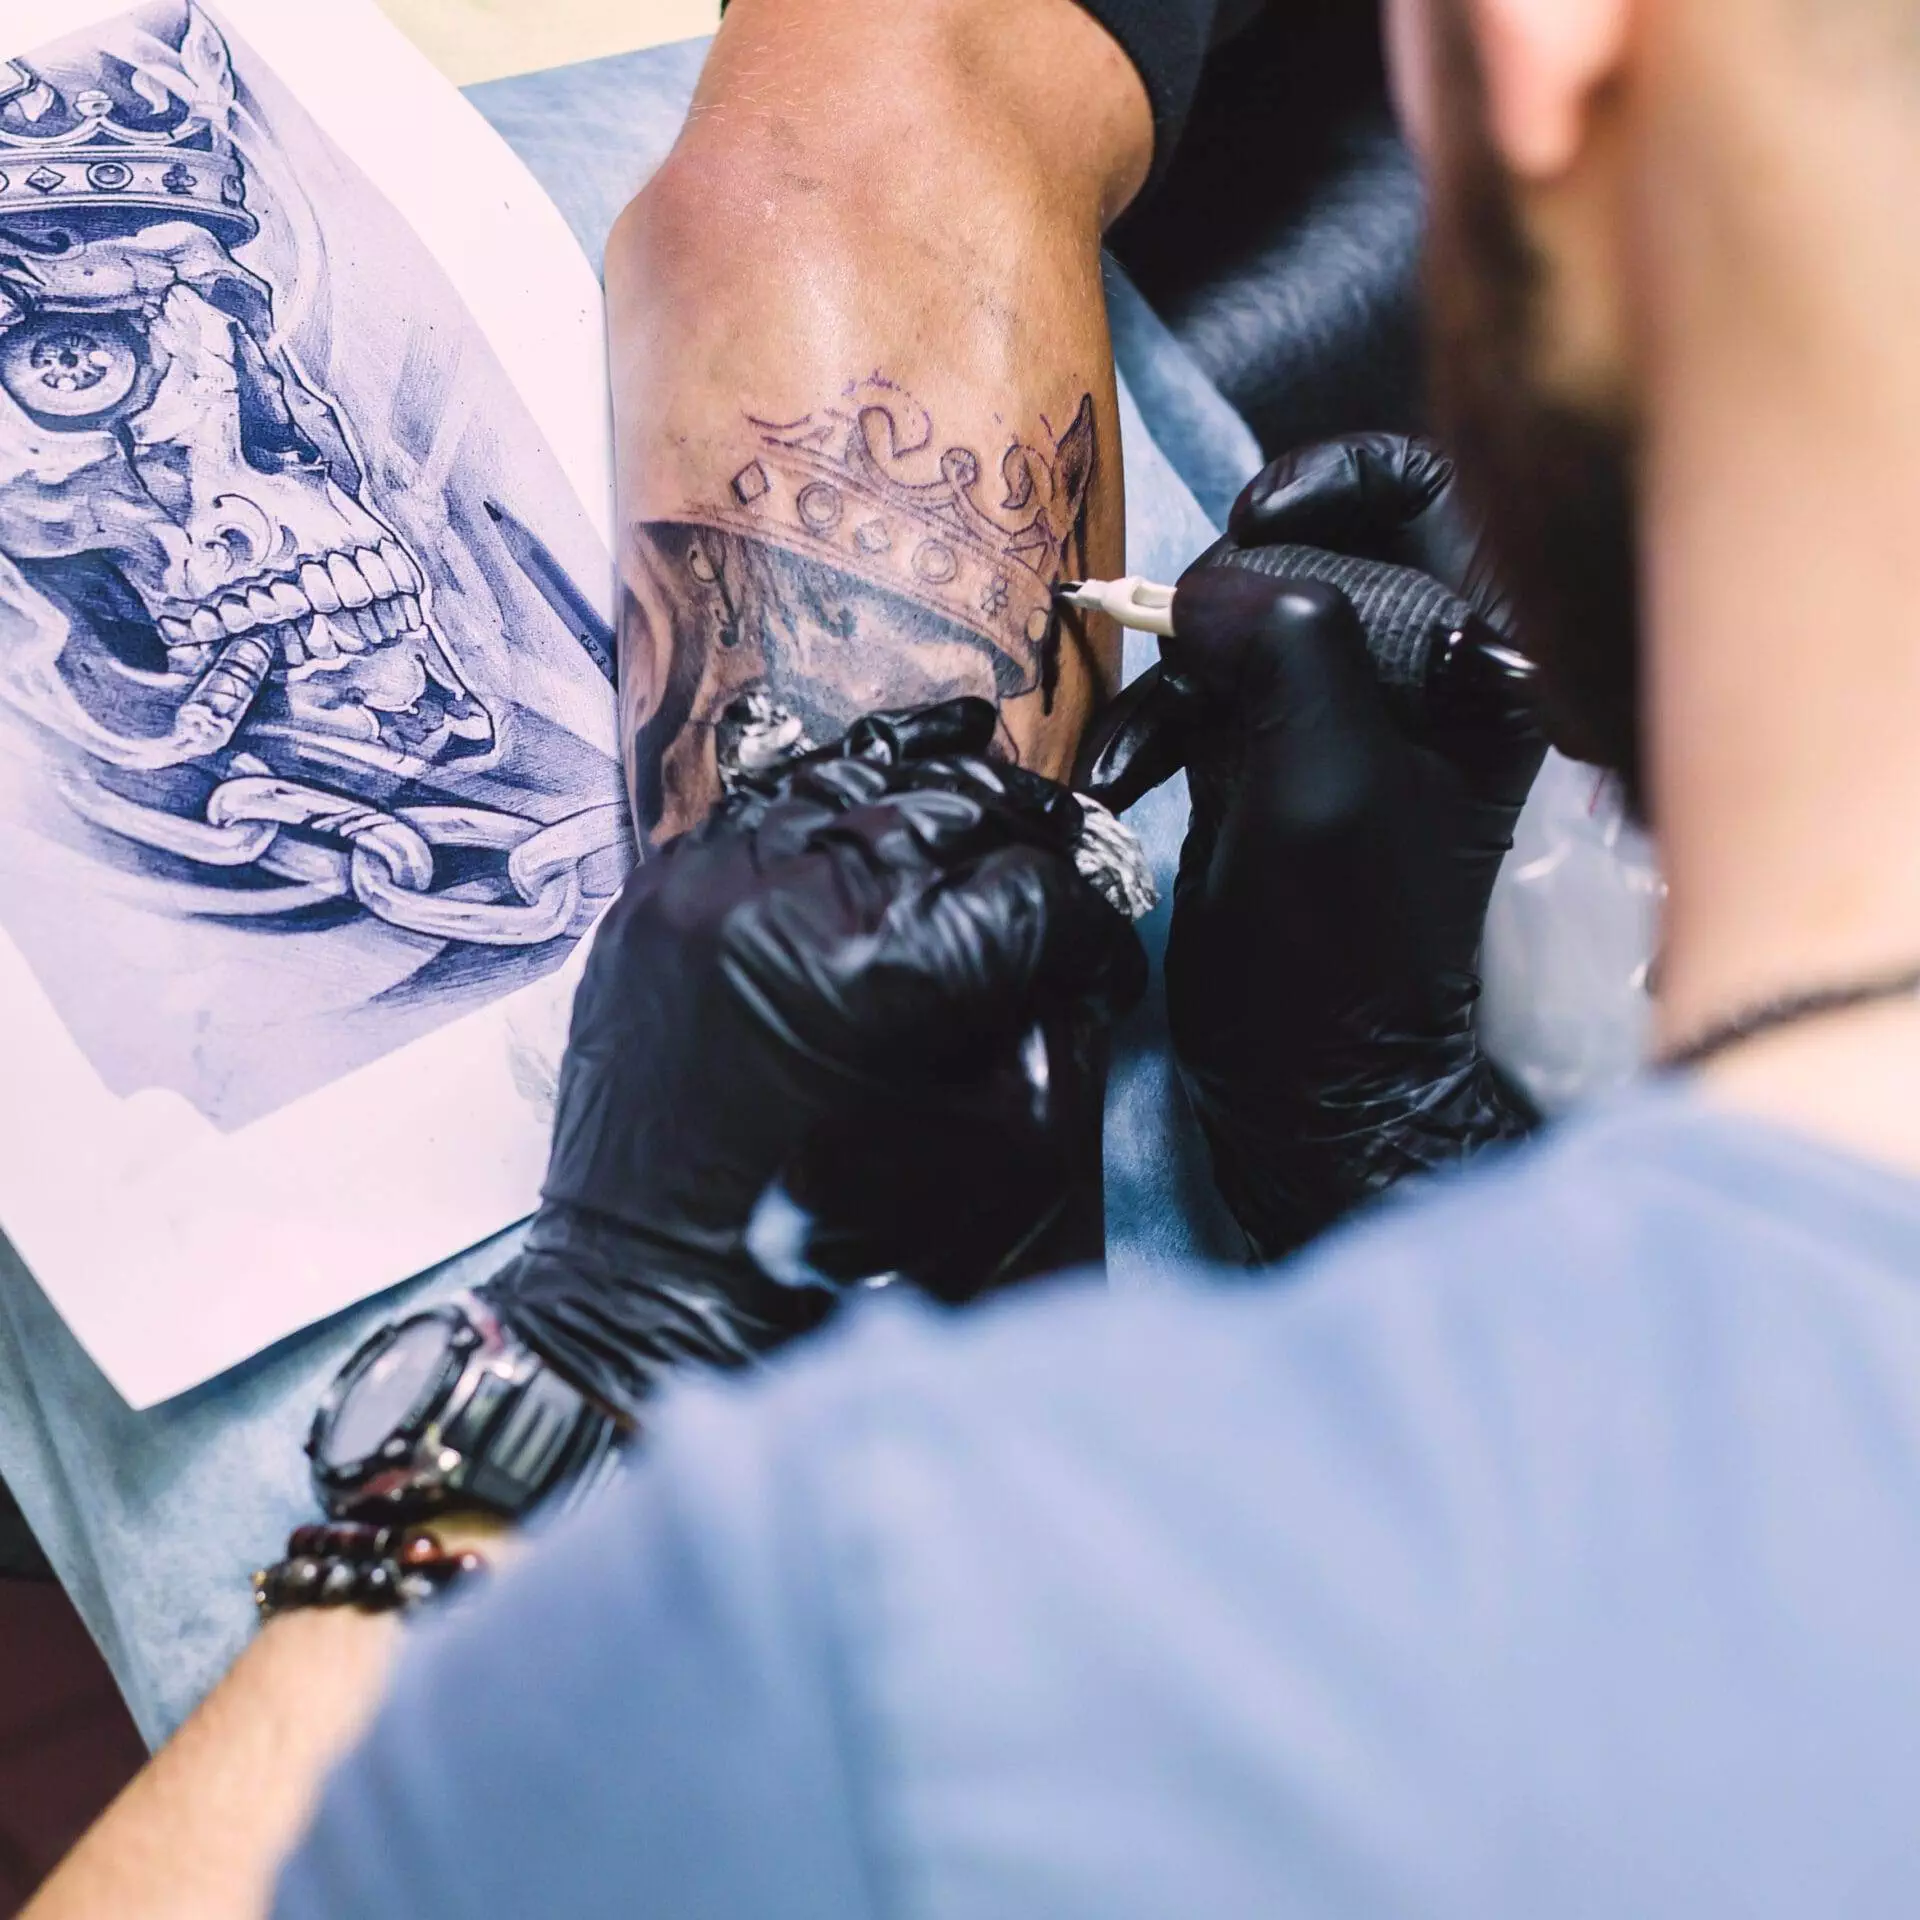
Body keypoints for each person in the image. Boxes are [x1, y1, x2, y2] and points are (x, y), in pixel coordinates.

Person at [46, 0, 1920, 1906]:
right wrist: (1413, 1176)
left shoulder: (928, 1648)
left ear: (1546, 54)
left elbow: (852, 148)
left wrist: (553, 1394)